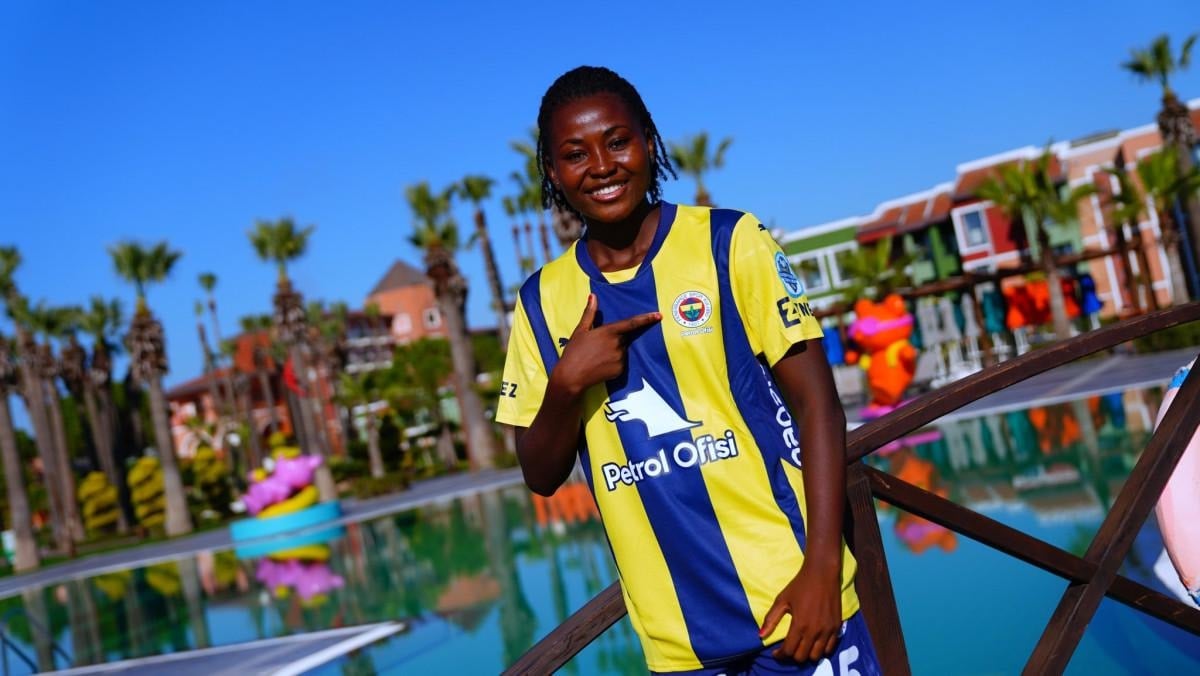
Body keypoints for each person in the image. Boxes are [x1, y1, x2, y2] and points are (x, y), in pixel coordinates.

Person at [496, 65, 881, 675]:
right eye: (575, 154)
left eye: (617, 142)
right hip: (680, 643)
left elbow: (819, 407)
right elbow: (540, 475)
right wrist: (568, 384)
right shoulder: (541, 301)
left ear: (649, 142)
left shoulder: (731, 242)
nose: (601, 166)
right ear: (551, 171)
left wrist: (822, 571)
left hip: (796, 606)